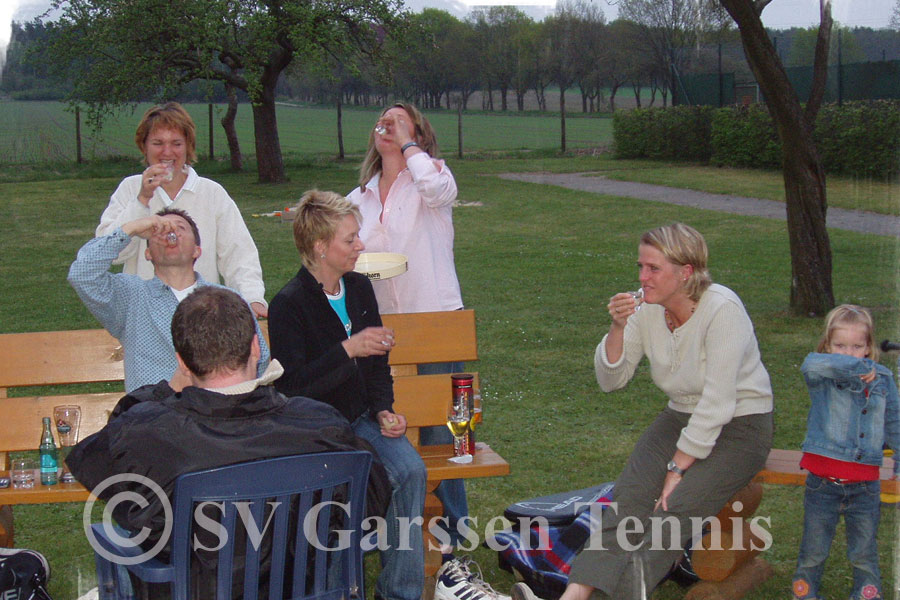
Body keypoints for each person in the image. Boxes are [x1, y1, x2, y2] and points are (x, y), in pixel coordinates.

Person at [67, 286, 390, 597]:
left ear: (183, 363)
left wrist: (164, 390)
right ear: (255, 348)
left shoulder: (149, 432)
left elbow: (92, 462)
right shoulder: (318, 425)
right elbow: (372, 501)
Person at [512, 223, 774, 600]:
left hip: (741, 426)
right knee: (628, 499)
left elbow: (718, 403)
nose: (642, 277)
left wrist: (677, 468)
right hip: (680, 417)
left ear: (685, 272)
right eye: (640, 266)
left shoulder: (723, 309)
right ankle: (575, 595)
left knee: (672, 514)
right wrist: (618, 327)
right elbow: (611, 380)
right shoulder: (646, 308)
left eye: (653, 268)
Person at [268, 190, 427, 600]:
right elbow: (291, 388)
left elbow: (378, 364)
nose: (360, 245)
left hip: (361, 420)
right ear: (320, 247)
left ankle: (400, 592)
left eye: (358, 236)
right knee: (341, 489)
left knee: (411, 470)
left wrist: (384, 410)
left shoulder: (357, 288)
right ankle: (337, 591)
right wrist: (347, 350)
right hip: (317, 433)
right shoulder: (289, 304)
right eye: (350, 239)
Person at [348, 103, 469, 553]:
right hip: (381, 325)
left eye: (399, 120)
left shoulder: (431, 177)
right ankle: (395, 525)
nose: (387, 124)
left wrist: (408, 145)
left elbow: (437, 190)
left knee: (444, 431)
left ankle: (453, 531)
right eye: (383, 119)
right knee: (387, 422)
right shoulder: (358, 197)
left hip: (435, 317)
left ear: (418, 132)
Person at [95, 101, 267, 318]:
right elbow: (107, 254)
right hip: (143, 317)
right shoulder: (130, 188)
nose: (167, 152)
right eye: (158, 143)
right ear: (144, 146)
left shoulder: (211, 193)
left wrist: (251, 298)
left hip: (203, 317)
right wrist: (142, 201)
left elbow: (239, 254)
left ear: (188, 147)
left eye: (176, 143)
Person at [68, 207, 269, 392]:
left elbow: (260, 360)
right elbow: (82, 274)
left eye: (180, 228)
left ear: (197, 250)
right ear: (148, 253)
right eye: (159, 229)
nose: (170, 233)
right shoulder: (130, 297)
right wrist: (131, 228)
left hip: (218, 412)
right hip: (154, 415)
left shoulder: (226, 300)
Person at [791, 305, 899, 600]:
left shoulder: (884, 379)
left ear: (868, 348)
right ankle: (804, 592)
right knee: (814, 548)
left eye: (856, 347)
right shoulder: (822, 375)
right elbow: (809, 365)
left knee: (864, 549)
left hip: (865, 485)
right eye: (840, 346)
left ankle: (867, 593)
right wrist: (854, 369)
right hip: (822, 483)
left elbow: (894, 420)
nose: (848, 354)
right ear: (827, 345)